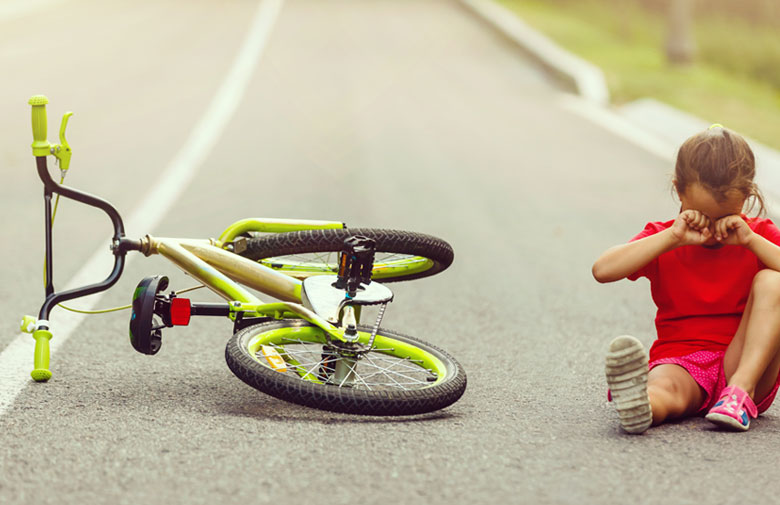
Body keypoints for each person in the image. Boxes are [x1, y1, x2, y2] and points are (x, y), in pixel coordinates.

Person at [592, 125, 780, 434]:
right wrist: (672, 237)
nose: (713, 229)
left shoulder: (756, 235)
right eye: (702, 214)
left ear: (745, 197)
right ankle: (641, 404)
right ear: (679, 191)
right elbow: (603, 270)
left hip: (747, 365)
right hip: (682, 360)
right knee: (666, 390)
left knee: (773, 280)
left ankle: (737, 395)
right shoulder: (666, 237)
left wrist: (751, 243)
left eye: (722, 217)